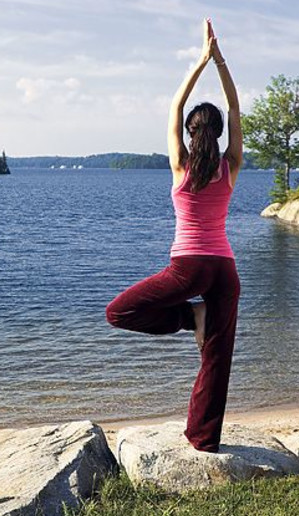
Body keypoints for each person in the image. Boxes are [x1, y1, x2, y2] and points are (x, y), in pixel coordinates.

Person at [105, 18, 242, 453]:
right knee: (216, 360)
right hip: (224, 269)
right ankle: (203, 440)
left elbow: (173, 107)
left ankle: (189, 317)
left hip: (189, 268)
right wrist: (220, 62)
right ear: (218, 133)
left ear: (190, 132)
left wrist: (200, 61)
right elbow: (236, 110)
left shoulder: (181, 165)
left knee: (119, 313)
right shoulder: (231, 165)